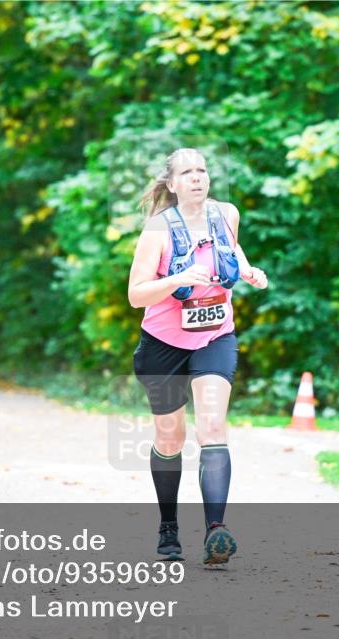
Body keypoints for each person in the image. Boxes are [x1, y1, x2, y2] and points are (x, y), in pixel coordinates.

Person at [128, 148, 268, 565]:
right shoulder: (157, 230)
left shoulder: (227, 214)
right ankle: (168, 528)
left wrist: (246, 270)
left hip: (214, 337)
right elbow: (136, 294)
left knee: (212, 425)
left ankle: (216, 531)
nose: (196, 178)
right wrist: (176, 280)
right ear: (171, 184)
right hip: (163, 343)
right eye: (186, 172)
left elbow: (232, 249)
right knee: (171, 438)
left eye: (202, 170)